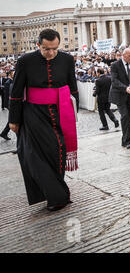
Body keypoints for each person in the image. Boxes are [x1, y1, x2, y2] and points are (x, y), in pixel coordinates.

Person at [8, 29, 78, 212]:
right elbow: (15, 92)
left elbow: (73, 86)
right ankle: (57, 196)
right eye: (47, 49)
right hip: (33, 114)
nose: (51, 53)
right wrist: (13, 120)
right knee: (35, 156)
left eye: (55, 49)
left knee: (58, 151)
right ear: (38, 45)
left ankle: (56, 191)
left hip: (60, 111)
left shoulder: (67, 59)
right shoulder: (25, 61)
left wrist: (75, 111)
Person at [109, 48, 130, 149]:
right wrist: (125, 88)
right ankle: (128, 141)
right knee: (125, 116)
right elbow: (114, 81)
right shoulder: (115, 65)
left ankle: (125, 140)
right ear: (123, 55)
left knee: (129, 118)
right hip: (120, 94)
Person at [0, 70, 14, 141]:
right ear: (10, 75)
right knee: (12, 120)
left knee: (12, 120)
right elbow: (7, 96)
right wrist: (8, 106)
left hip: (11, 104)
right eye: (13, 73)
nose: (14, 74)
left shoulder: (12, 81)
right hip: (10, 104)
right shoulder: (8, 83)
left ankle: (4, 133)